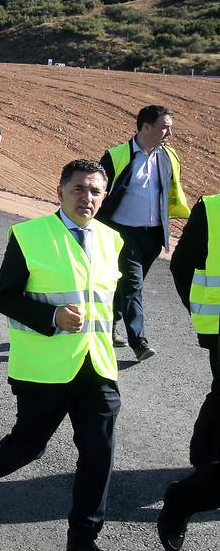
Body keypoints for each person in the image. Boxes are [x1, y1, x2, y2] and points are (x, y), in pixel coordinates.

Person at [0, 159, 123, 551]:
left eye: (94, 190)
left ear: (104, 196)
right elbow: (4, 297)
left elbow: (111, 298)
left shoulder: (112, 240)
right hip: (44, 369)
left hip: (97, 365)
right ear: (60, 192)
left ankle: (84, 540)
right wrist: (53, 317)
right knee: (29, 446)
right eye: (78, 189)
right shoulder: (29, 235)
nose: (86, 197)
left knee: (99, 453)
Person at [98, 105, 190, 361]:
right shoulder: (117, 156)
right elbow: (95, 190)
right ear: (146, 127)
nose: (169, 133)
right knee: (133, 285)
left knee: (126, 285)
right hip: (122, 233)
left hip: (153, 235)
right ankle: (139, 342)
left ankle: (109, 323)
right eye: (165, 127)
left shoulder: (169, 156)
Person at [158, 191, 220, 551]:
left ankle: (203, 461)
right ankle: (188, 492)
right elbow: (182, 266)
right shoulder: (213, 209)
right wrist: (203, 317)